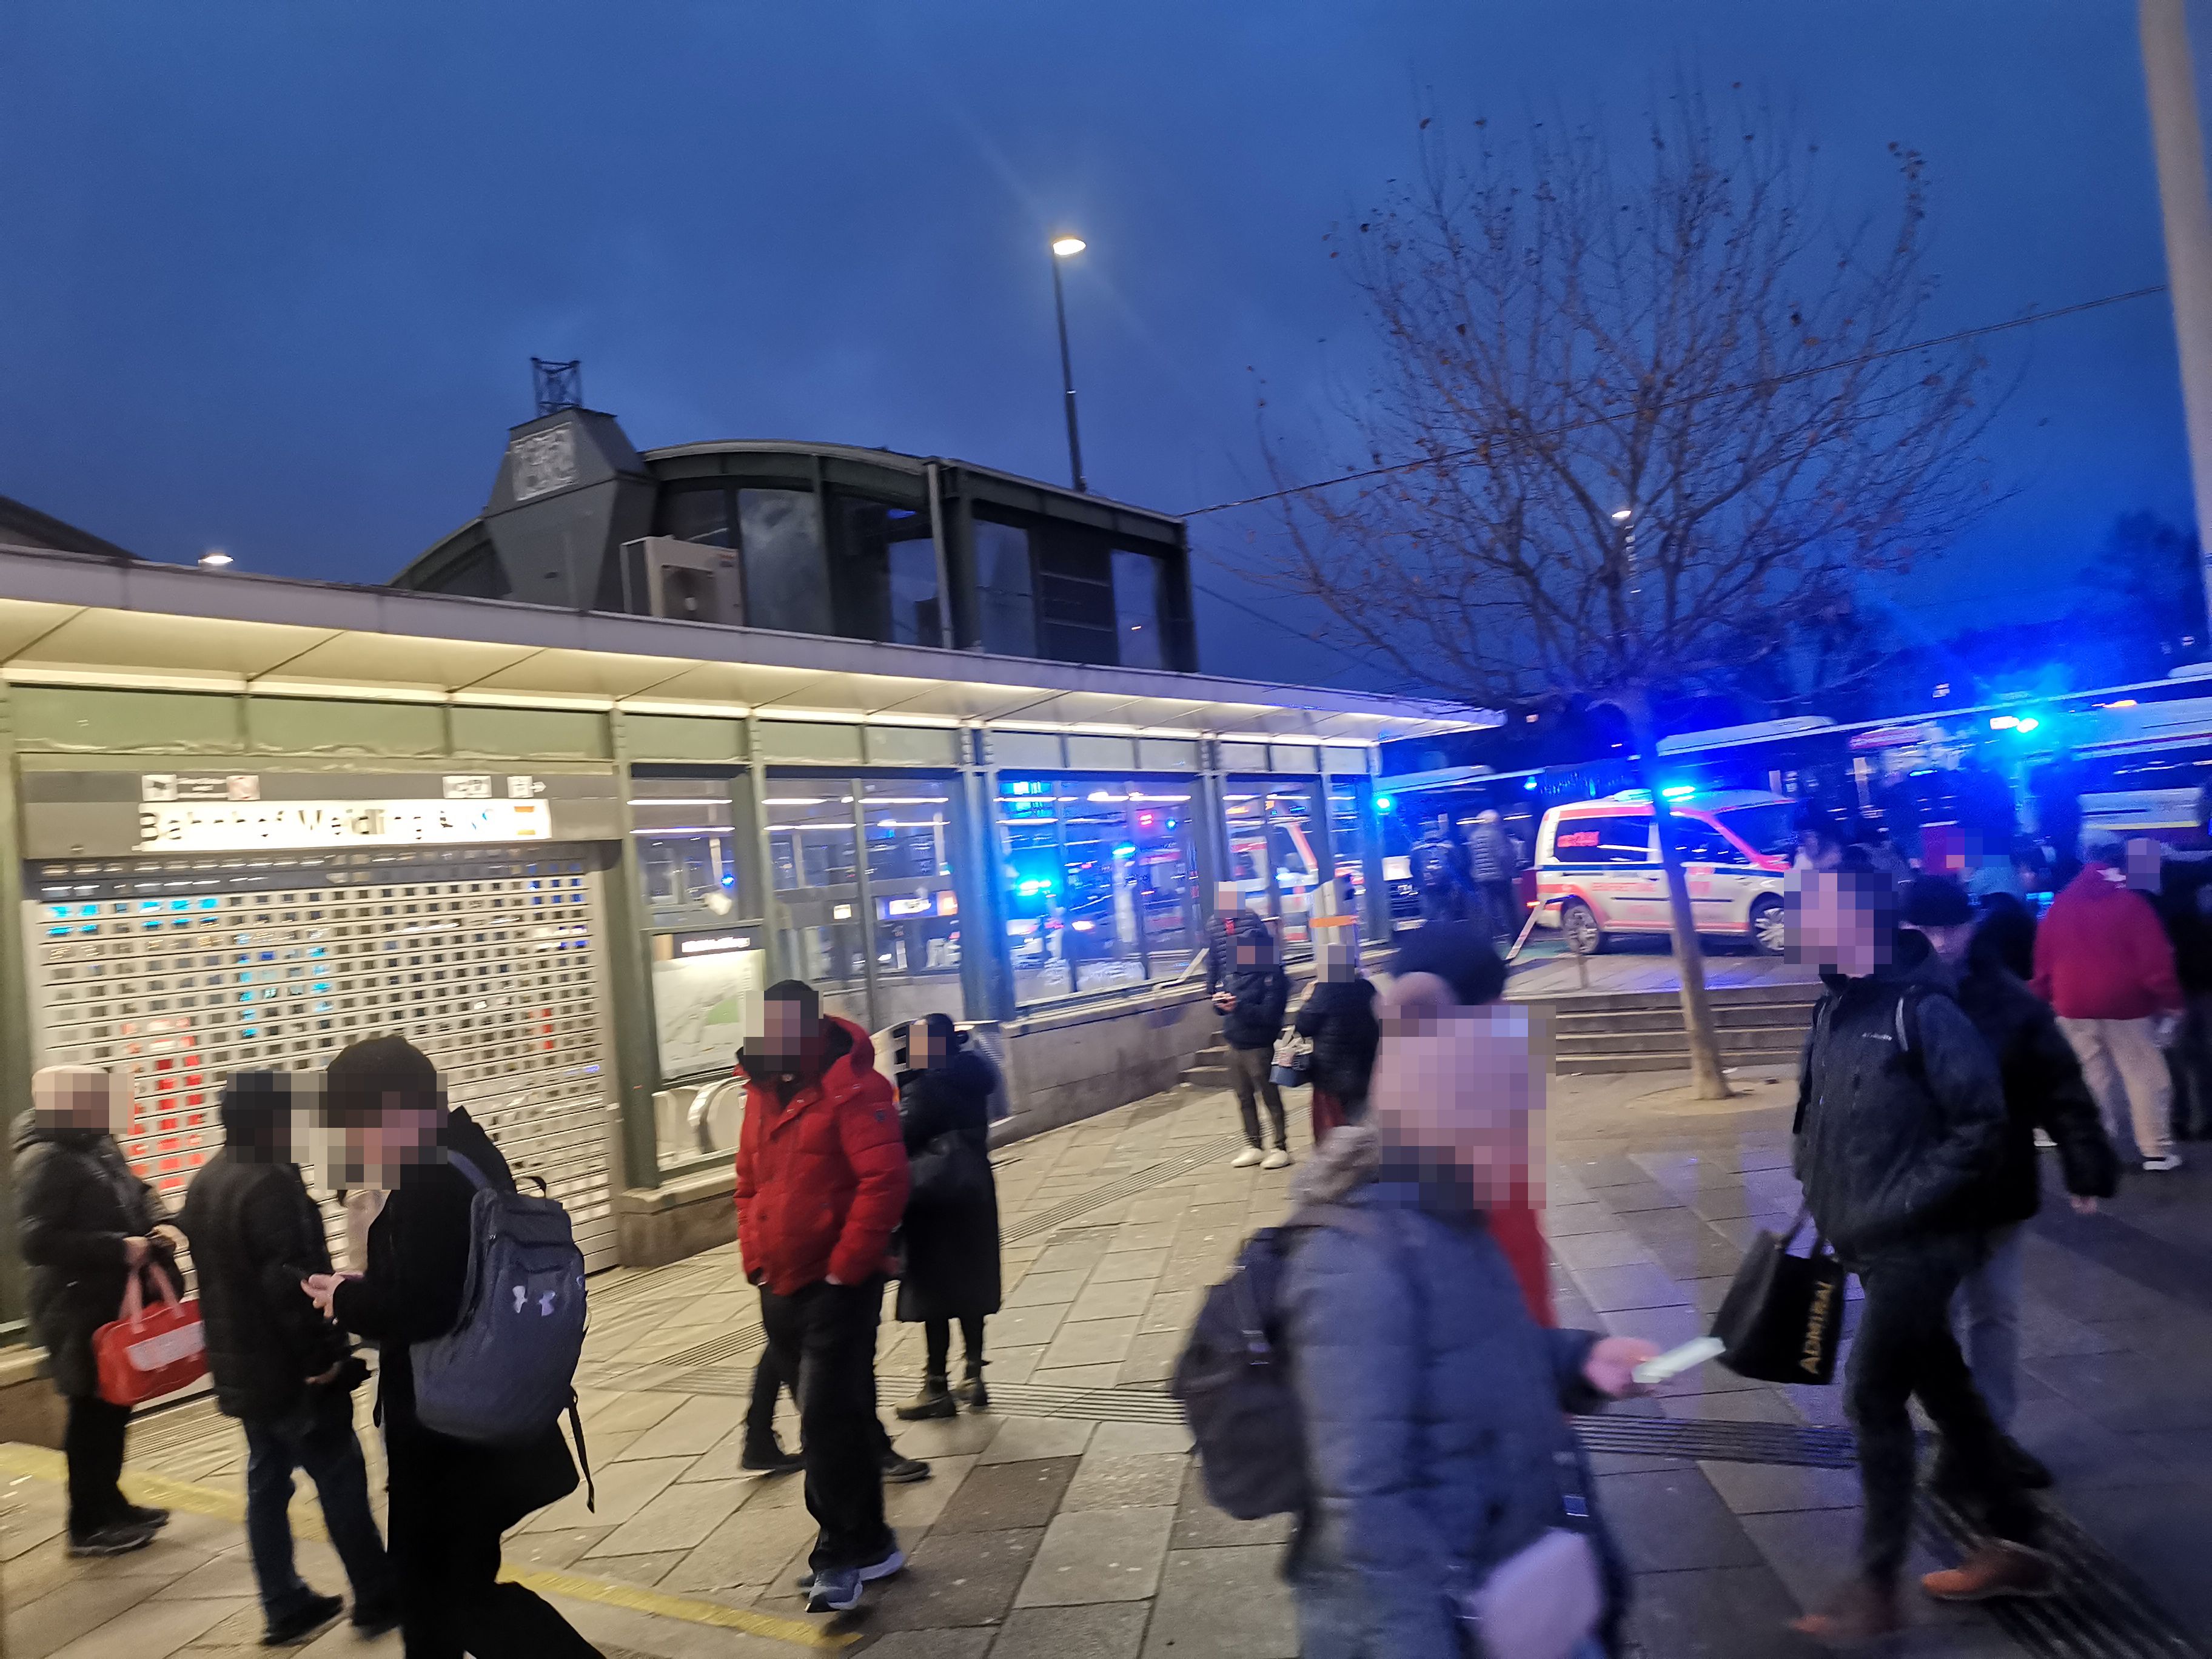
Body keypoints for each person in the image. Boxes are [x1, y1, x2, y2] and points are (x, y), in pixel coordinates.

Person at [1283, 956, 1658, 1659]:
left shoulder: (1457, 1214)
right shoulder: (1354, 1260)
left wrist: (1581, 1359)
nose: (1516, 1148)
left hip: (1514, 1585)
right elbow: (1362, 1505)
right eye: (1498, 1126)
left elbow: (1487, 1350)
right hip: (1441, 1616)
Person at [1786, 860, 2053, 1641]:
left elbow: (1982, 1124)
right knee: (1949, 1393)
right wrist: (1818, 1186)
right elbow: (1817, 1117)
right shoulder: (1833, 1010)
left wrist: (1900, 1201)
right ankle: (2020, 1540)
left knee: (1872, 1394)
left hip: (1924, 1241)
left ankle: (1876, 1585)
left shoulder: (1922, 1011)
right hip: (1864, 1238)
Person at [305, 1036, 599, 1659]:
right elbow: (458, 1279)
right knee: (444, 1593)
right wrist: (370, 1283)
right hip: (475, 1409)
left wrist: (347, 1300)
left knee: (447, 1597)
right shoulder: (465, 1152)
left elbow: (428, 1305)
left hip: (446, 1431)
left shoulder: (430, 1176)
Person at [1898, 879, 2119, 1485]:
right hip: (1916, 1197)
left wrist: (2085, 1159)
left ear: (1971, 927)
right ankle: (1959, 1433)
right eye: (1928, 930)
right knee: (1927, 1322)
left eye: (1952, 928)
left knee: (1996, 1312)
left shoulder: (2008, 1000)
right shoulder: (1879, 1000)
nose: (1942, 943)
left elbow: (2059, 1085)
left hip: (1996, 1186)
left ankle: (1990, 1434)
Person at [181, 1072, 394, 1645]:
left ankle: (282, 1602)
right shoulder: (271, 1184)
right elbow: (293, 1287)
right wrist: (323, 1359)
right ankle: (376, 1593)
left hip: (246, 1373)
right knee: (340, 1477)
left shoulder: (207, 1181)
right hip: (293, 1371)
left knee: (266, 1486)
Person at [733, 980, 911, 1614]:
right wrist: (754, 1256)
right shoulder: (760, 1093)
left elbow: (885, 1180)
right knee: (842, 1416)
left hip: (839, 1288)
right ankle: (873, 1540)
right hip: (778, 1285)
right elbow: (748, 1181)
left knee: (823, 1421)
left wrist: (844, 1270)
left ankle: (836, 1555)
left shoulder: (856, 1089)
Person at [15, 1065, 182, 1557]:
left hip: (106, 1302)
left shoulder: (96, 1143)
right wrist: (117, 1247)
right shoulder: (45, 1159)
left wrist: (161, 1221)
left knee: (114, 1407)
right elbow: (35, 1240)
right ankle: (87, 1525)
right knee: (90, 1414)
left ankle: (112, 1504)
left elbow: (138, 1189)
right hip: (73, 1308)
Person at [2033, 834, 2185, 1171]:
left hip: (2071, 1003)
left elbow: (2043, 961)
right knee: (2144, 1074)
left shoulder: (2061, 903)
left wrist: (2041, 997)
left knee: (2090, 1076)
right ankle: (2156, 1150)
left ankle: (2097, 1146)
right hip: (2126, 1006)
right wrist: (2171, 1001)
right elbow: (2155, 963)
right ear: (2121, 864)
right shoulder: (2132, 903)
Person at [891, 1015, 1004, 1419]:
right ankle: (974, 1375)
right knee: (971, 1282)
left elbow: (902, 1137)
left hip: (932, 1196)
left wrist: (905, 1088)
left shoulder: (925, 1086)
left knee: (934, 1290)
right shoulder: (975, 1076)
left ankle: (935, 1385)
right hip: (974, 1189)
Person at [1215, 910, 1293, 1170]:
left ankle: (1280, 1146)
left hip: (1259, 1045)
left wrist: (1237, 1007)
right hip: (1234, 1041)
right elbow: (1225, 996)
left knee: (1269, 1096)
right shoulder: (1234, 971)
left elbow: (1269, 1015)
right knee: (1243, 1097)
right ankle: (1253, 1144)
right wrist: (1221, 1004)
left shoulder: (1272, 976)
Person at [1293, 923, 1379, 1142]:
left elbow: (1304, 1027)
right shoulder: (1366, 987)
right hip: (1366, 1066)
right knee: (1364, 1118)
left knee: (1339, 1126)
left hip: (1332, 1073)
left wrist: (1305, 1000)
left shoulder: (1324, 990)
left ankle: (1351, 1165)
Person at [1465, 808, 1521, 942]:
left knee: (1487, 910)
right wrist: (1511, 871)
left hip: (1481, 879)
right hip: (1500, 877)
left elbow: (1471, 857)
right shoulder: (1497, 834)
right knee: (1508, 908)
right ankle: (1515, 937)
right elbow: (1504, 855)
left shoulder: (1473, 836)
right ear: (1494, 820)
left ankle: (1487, 939)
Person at [1409, 817, 1477, 923]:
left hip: (1427, 887)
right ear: (1438, 830)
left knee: (1431, 912)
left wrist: (1420, 882)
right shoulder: (1448, 845)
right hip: (1446, 885)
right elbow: (1459, 864)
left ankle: (1433, 932)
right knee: (1447, 911)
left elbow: (1413, 868)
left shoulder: (1416, 848)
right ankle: (1448, 932)